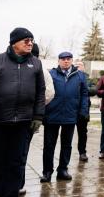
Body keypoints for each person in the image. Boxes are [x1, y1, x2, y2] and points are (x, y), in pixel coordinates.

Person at [0, 27, 45, 197]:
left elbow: (40, 91)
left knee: (16, 162)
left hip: (23, 123)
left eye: (32, 40)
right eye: (26, 40)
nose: (30, 43)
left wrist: (38, 116)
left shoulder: (35, 63)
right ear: (14, 43)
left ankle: (11, 193)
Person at [40, 51, 89, 183]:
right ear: (59, 61)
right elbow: (43, 92)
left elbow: (84, 94)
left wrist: (83, 111)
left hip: (71, 115)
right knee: (49, 145)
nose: (66, 61)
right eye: (63, 59)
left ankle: (62, 170)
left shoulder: (80, 76)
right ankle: (47, 172)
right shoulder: (51, 74)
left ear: (72, 60)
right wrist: (42, 112)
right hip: (52, 114)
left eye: (68, 59)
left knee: (67, 145)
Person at [18, 43, 55, 195]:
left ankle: (19, 183)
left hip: (28, 118)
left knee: (21, 151)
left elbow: (49, 93)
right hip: (9, 117)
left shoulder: (41, 70)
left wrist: (36, 108)